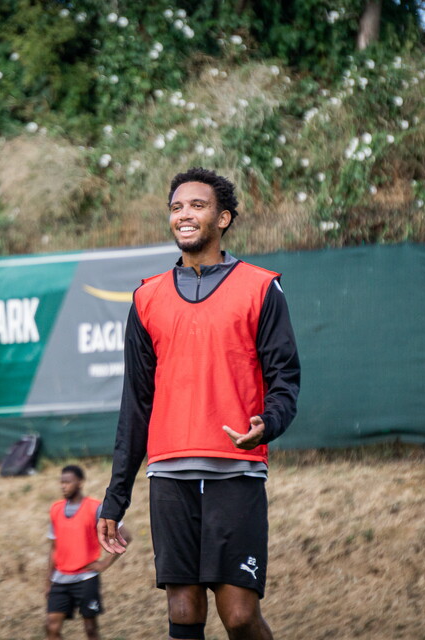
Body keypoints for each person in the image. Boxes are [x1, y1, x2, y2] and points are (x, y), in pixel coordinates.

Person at [97, 167, 300, 640]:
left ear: (223, 218)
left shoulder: (260, 287)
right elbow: (136, 404)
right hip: (169, 473)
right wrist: (116, 496)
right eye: (176, 207)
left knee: (239, 615)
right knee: (184, 611)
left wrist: (268, 423)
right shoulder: (146, 297)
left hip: (237, 470)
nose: (184, 214)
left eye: (197, 205)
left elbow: (285, 379)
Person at [46, 465, 132, 640]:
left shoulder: (95, 508)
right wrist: (48, 580)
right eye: (61, 482)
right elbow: (53, 547)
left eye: (68, 482)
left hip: (86, 578)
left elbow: (125, 535)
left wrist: (105, 563)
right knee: (51, 627)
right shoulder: (55, 509)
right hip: (60, 579)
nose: (63, 486)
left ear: (80, 483)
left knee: (91, 629)